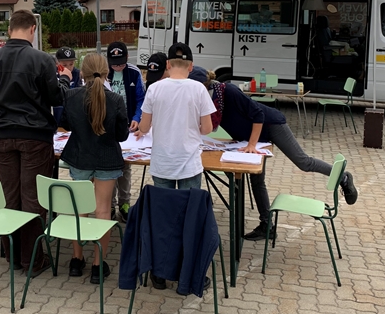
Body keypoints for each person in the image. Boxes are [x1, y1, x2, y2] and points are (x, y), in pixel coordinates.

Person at [189, 67, 358, 241]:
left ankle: (344, 177)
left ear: (203, 86)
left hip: (271, 126)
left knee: (303, 162)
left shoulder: (228, 91)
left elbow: (258, 114)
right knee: (256, 180)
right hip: (246, 138)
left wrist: (252, 145)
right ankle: (267, 226)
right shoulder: (204, 99)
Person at [0, 10, 71, 277]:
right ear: (32, 29)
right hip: (34, 135)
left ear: (9, 30)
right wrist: (65, 79)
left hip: (3, 135)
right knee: (32, 199)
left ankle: (13, 256)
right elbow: (56, 98)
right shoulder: (41, 59)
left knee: (10, 196)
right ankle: (33, 260)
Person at [60, 53, 129, 284]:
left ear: (82, 72)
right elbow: (122, 135)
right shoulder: (116, 99)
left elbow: (65, 124)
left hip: (80, 157)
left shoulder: (71, 95)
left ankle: (76, 260)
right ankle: (98, 265)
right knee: (103, 211)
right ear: (107, 73)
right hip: (107, 159)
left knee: (80, 209)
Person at [137, 43, 214, 190]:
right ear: (191, 66)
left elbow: (144, 128)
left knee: (164, 204)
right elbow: (207, 128)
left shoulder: (153, 89)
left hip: (162, 163)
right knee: (189, 203)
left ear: (168, 64)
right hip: (190, 163)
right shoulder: (199, 89)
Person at [106, 41, 145, 222]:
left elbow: (141, 99)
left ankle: (124, 203)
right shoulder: (104, 73)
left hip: (127, 128)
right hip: (108, 128)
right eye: (114, 64)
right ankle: (109, 205)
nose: (118, 67)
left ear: (127, 58)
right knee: (109, 166)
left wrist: (137, 117)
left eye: (121, 63)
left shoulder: (134, 73)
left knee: (125, 166)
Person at [53, 46, 83, 125]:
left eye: (71, 64)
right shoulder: (53, 74)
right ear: (57, 64)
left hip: (72, 112)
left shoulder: (77, 74)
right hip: (57, 113)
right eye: (64, 65)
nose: (68, 68)